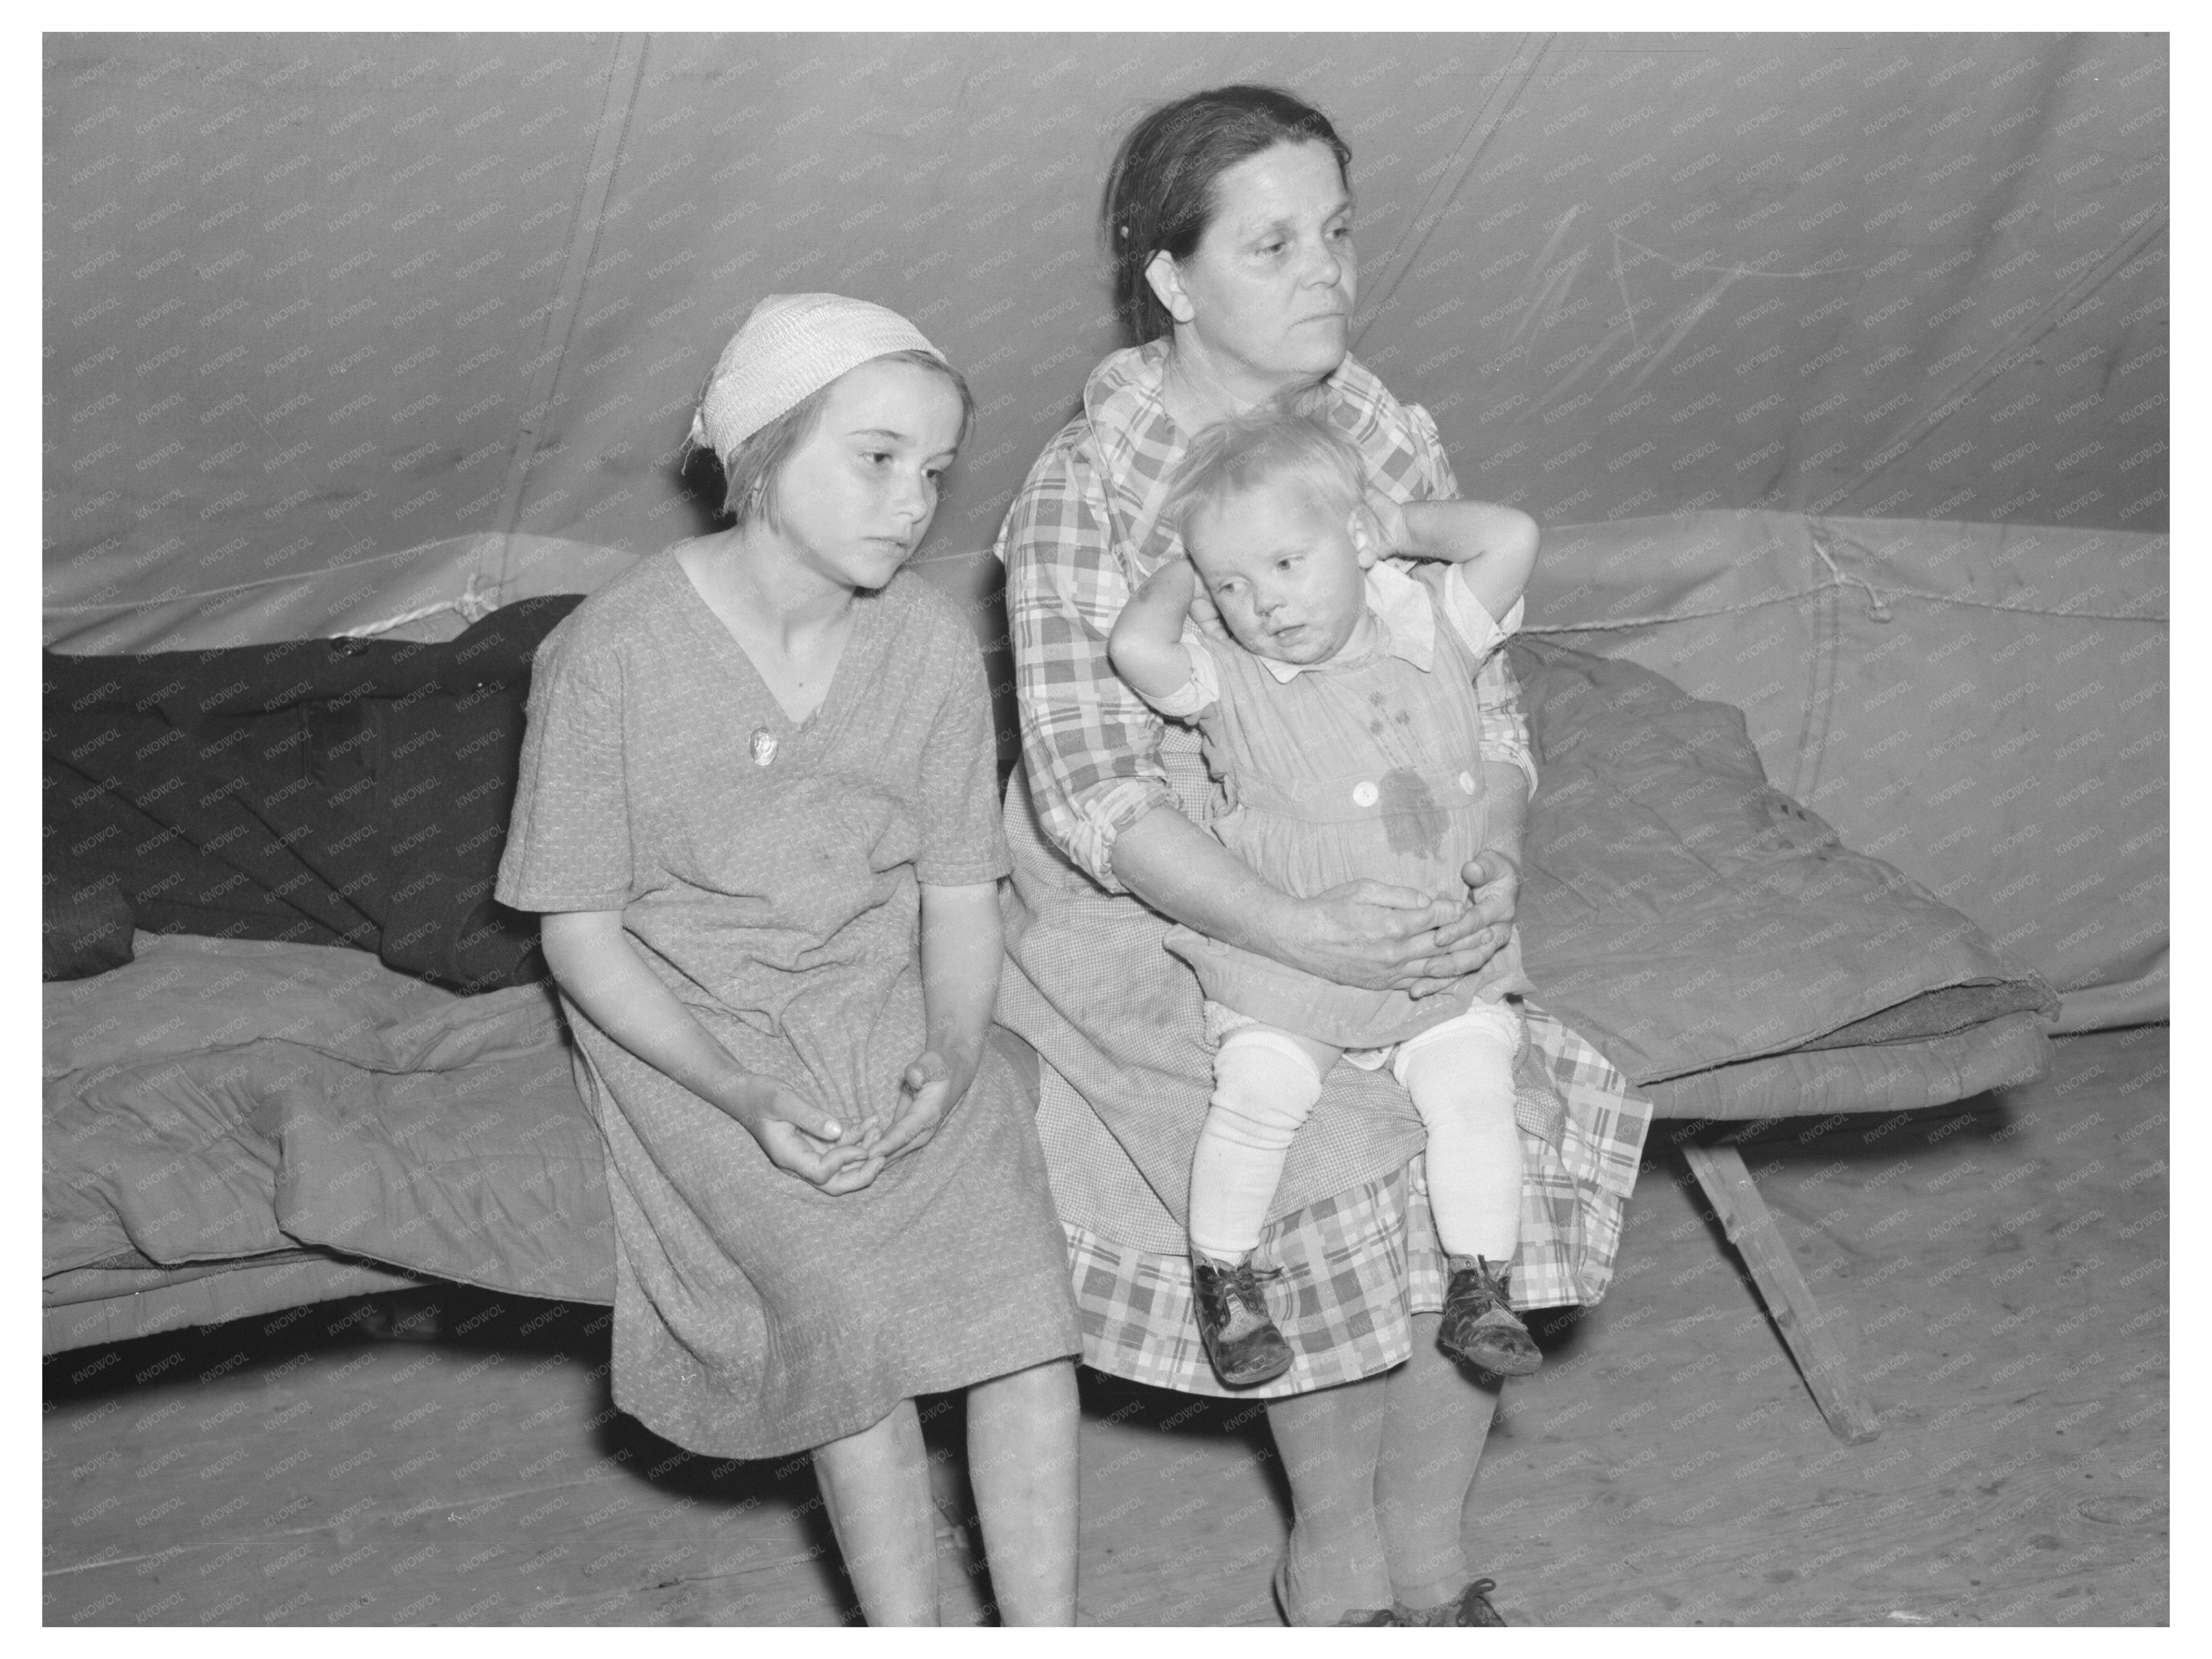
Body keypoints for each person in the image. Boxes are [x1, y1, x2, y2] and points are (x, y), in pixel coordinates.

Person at [996, 86, 1651, 1626]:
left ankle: (1431, 1546)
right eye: (1275, 243)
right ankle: (1336, 1552)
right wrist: (1299, 934)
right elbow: (1098, 795)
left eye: (1340, 233)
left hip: (1390, 846)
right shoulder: (1086, 491)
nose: (1329, 274)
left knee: (1488, 1113)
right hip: (1165, 892)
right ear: (1170, 279)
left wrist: (1492, 827)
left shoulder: (1379, 427)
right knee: (1318, 1151)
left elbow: (1474, 679)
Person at [497, 294, 1081, 1628]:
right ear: (760, 452)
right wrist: (743, 1097)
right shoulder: (611, 659)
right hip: (696, 1026)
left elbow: (959, 895)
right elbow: (579, 936)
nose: (913, 501)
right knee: (851, 1318)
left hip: (883, 997)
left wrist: (948, 1047)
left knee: (1024, 1315)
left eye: (933, 470)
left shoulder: (928, 643)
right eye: (875, 458)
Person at [1107, 407, 1544, 1389]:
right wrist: (1193, 562)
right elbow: (1139, 646)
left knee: (1473, 1088)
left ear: (1352, 542)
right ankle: (1227, 1277)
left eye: (1285, 564)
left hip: (1439, 949)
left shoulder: (1435, 632)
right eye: (1235, 584)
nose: (1262, 602)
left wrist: (1392, 525)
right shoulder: (1228, 678)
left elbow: (1511, 535)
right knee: (1262, 1090)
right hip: (1290, 961)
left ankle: (1481, 1283)